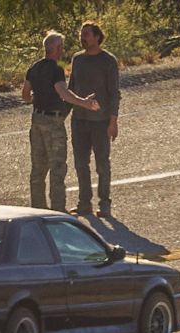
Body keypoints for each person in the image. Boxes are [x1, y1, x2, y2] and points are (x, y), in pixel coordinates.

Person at [22, 31, 99, 212]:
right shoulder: (55, 70)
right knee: (57, 168)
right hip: (53, 122)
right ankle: (57, 211)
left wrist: (36, 98)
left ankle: (37, 210)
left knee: (38, 169)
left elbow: (25, 95)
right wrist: (84, 103)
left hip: (36, 120)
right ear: (56, 49)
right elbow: (64, 93)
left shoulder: (33, 68)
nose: (62, 51)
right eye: (61, 47)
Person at [68, 21, 120, 218]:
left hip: (100, 121)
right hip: (79, 120)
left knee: (102, 164)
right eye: (82, 34)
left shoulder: (108, 61)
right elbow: (71, 90)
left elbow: (114, 93)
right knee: (81, 163)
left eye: (87, 34)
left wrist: (113, 122)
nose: (83, 38)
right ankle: (84, 204)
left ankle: (104, 203)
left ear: (97, 37)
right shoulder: (77, 60)